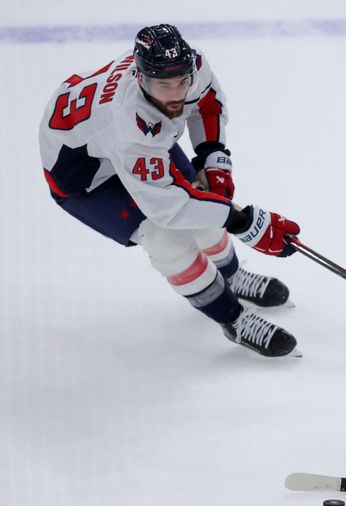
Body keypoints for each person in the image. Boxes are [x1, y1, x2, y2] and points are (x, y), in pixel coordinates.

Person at [39, 24, 301, 357]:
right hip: (84, 177)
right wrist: (243, 222)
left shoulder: (188, 67)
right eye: (164, 84)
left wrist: (213, 162)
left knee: (205, 198)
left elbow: (208, 105)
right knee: (167, 240)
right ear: (141, 77)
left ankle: (231, 276)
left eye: (182, 81)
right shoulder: (129, 125)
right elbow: (170, 208)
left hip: (115, 139)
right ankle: (234, 319)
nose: (176, 93)